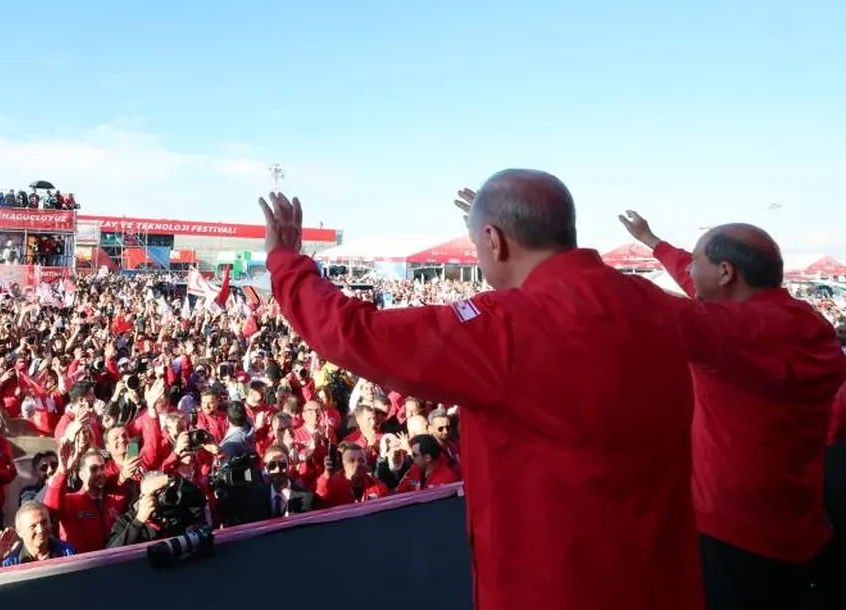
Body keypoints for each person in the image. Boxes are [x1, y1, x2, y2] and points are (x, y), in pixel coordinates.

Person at [258, 172, 703, 610]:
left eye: (478, 243)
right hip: (665, 581)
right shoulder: (653, 303)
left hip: (555, 588)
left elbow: (357, 332)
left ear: (494, 240)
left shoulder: (506, 328)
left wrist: (285, 261)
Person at [619, 211, 846, 609]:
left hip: (732, 537)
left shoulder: (734, 332)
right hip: (799, 526)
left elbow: (620, 306)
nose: (688, 267)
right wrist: (652, 241)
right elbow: (700, 288)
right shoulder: (806, 324)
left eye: (696, 260)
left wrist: (528, 246)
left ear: (725, 272)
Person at [0, 502, 76, 567]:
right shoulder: (10, 562)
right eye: (33, 526)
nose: (40, 530)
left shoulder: (67, 553)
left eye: (44, 522)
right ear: (19, 532)